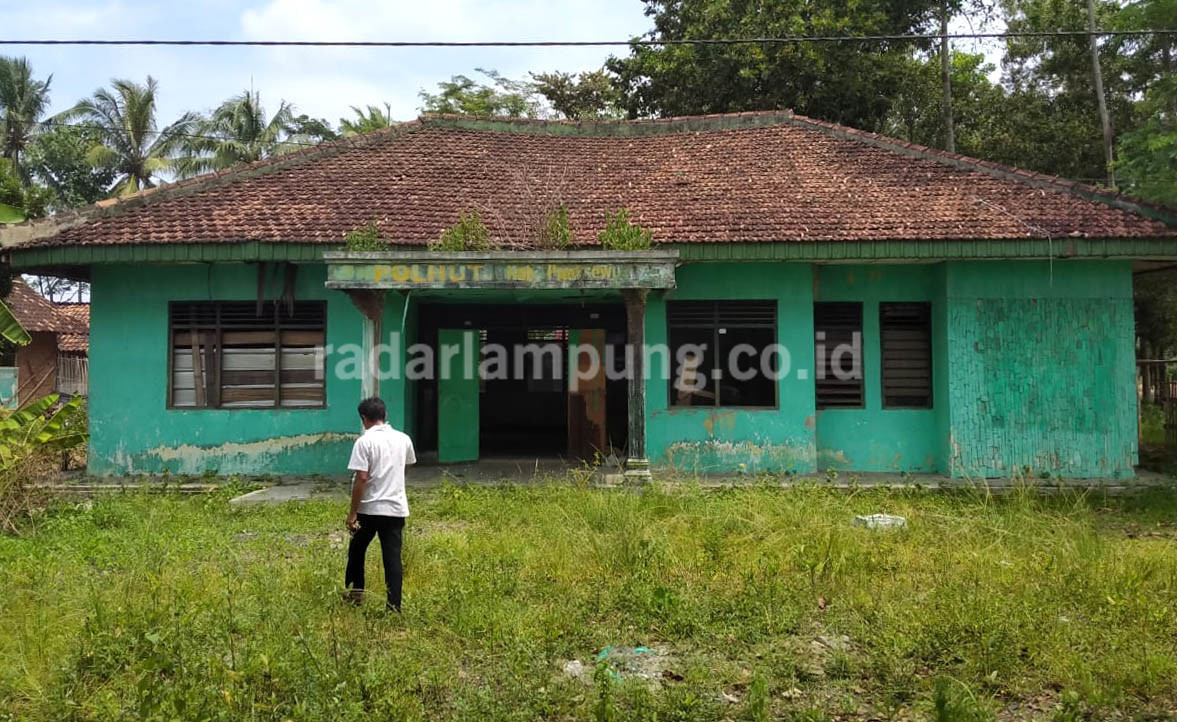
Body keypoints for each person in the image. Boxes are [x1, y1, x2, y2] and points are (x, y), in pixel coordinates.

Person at [344, 396, 416, 611]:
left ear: (363, 418)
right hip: (395, 509)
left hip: (369, 509)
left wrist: (352, 513)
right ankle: (394, 606)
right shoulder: (403, 439)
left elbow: (361, 478)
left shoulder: (364, 442)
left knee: (357, 551)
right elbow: (406, 466)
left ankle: (357, 594)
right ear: (385, 416)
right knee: (392, 558)